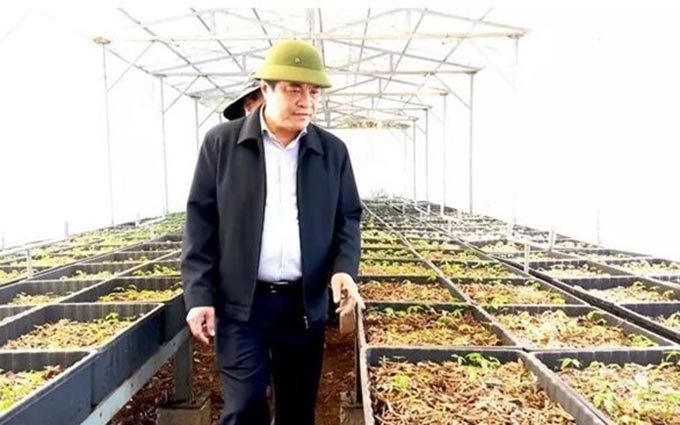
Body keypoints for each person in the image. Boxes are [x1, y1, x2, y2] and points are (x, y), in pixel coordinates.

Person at [181, 39, 364, 425]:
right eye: (294, 89)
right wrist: (198, 295)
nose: (306, 101)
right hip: (240, 305)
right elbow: (201, 221)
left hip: (303, 304)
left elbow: (348, 218)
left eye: (313, 92)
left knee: (297, 410)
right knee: (244, 406)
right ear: (265, 89)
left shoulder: (332, 152)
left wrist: (343, 269)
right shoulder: (222, 144)